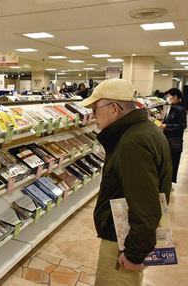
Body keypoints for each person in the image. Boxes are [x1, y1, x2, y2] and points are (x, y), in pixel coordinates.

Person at [79, 79, 172, 285]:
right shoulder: (146, 130)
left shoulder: (132, 143)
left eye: (95, 109)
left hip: (122, 242)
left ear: (114, 108)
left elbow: (146, 206)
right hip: (127, 237)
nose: (93, 116)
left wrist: (134, 253)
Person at [160, 88, 187, 183]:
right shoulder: (172, 108)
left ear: (175, 97)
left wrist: (167, 126)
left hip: (174, 142)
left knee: (172, 162)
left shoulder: (179, 110)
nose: (167, 98)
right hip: (169, 140)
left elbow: (182, 125)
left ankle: (169, 181)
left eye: (168, 96)